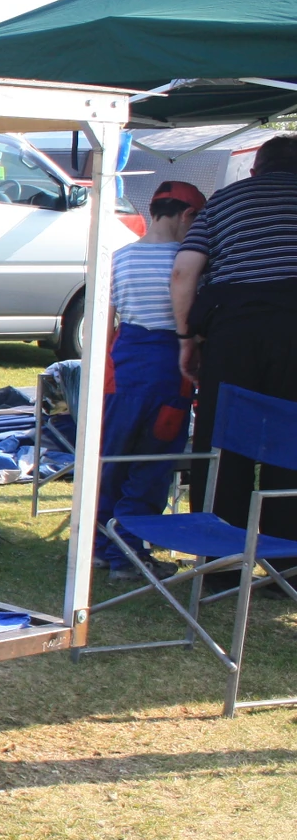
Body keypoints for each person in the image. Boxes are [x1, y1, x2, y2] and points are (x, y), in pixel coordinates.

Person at [171, 134, 297, 545]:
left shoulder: (224, 202)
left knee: (223, 442)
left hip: (234, 330)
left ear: (255, 169)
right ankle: (288, 563)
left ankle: (220, 560)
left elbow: (184, 273)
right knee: (292, 441)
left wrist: (187, 338)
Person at [96, 180, 203, 580]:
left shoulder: (119, 257)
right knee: (152, 465)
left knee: (114, 462)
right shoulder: (188, 260)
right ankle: (129, 556)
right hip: (167, 370)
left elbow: (107, 324)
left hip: (121, 370)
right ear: (187, 215)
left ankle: (103, 547)